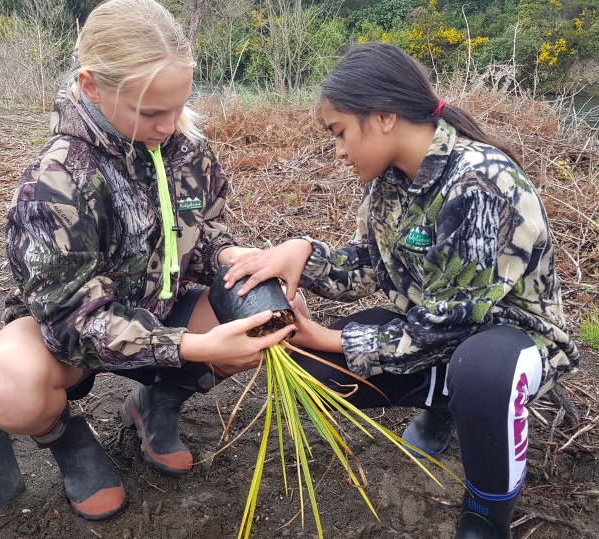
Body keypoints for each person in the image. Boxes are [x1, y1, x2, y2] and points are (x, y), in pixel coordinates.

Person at [223, 42, 579, 539]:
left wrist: (324, 335)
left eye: (340, 132)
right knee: (314, 369)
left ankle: (488, 509)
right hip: (428, 329)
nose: (339, 150)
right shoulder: (389, 179)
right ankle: (446, 402)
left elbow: (453, 321)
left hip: (511, 340)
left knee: (479, 370)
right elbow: (368, 265)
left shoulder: (482, 182)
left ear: (385, 116)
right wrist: (303, 254)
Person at [0, 0, 301, 521]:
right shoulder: (55, 181)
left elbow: (202, 233)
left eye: (178, 108)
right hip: (76, 341)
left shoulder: (187, 147)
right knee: (8, 383)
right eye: (151, 112)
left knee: (274, 309)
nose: (169, 126)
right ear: (91, 86)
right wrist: (193, 345)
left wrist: (229, 254)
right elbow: (70, 322)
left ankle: (158, 403)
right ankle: (68, 440)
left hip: (162, 309)